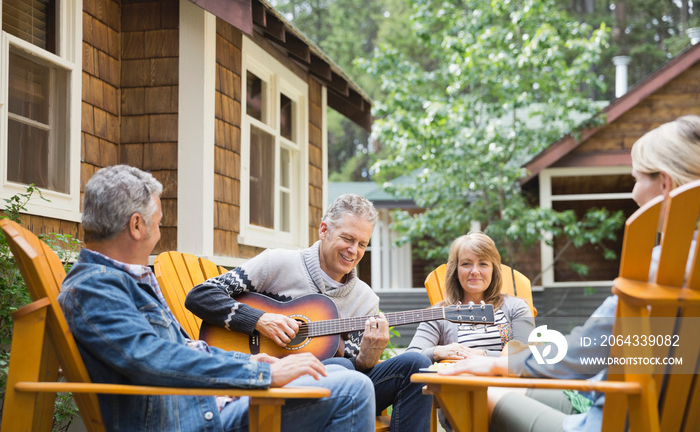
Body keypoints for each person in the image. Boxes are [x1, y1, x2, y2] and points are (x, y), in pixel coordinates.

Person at [58, 165, 376, 432]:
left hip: (212, 399)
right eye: (158, 223)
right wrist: (262, 374)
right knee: (354, 390)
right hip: (196, 417)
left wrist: (249, 360)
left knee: (336, 372)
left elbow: (181, 350)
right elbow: (151, 359)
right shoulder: (95, 287)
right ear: (137, 225)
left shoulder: (124, 279)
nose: (159, 232)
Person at [438, 114, 700, 432]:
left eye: (637, 179)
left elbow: (583, 352)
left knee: (476, 389)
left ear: (665, 183)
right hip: (662, 414)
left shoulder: (664, 269)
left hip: (617, 420)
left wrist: (494, 363)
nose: (633, 193)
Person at [186, 193, 433, 431]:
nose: (353, 250)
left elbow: (358, 370)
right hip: (271, 382)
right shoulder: (277, 263)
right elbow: (200, 295)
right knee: (340, 367)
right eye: (347, 238)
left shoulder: (365, 299)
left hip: (340, 389)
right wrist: (260, 319)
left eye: (362, 244)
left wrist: (367, 356)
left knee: (417, 366)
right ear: (324, 230)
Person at [406, 232, 535, 361]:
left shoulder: (515, 307)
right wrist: (437, 351)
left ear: (493, 270)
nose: (474, 271)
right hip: (457, 380)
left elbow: (527, 355)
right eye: (466, 264)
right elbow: (411, 357)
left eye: (483, 264)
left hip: (505, 380)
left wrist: (482, 354)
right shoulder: (439, 314)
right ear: (456, 271)